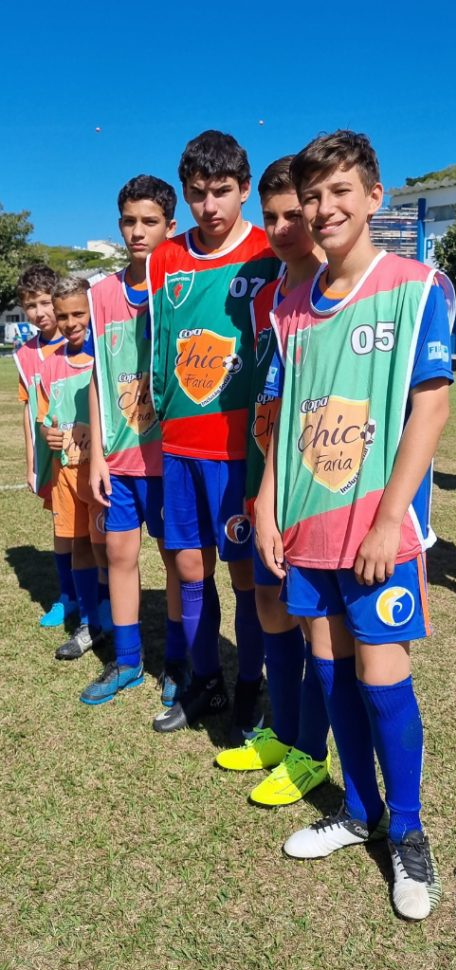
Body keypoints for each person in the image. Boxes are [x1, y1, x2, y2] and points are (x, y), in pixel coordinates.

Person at [256, 131, 454, 921]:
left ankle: (408, 834)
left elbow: (430, 407)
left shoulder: (415, 285)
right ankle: (360, 809)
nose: (324, 208)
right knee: (329, 669)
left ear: (374, 197)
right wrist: (269, 501)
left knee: (381, 679)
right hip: (306, 526)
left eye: (341, 192)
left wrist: (386, 521)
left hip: (373, 531)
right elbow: (283, 418)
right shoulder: (290, 306)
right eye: (313, 196)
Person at [147, 130, 281, 739]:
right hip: (179, 449)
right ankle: (208, 681)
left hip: (243, 455)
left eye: (222, 192)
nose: (210, 206)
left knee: (246, 576)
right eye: (198, 194)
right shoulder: (164, 260)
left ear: (245, 190)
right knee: (189, 570)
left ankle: (253, 687)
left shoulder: (268, 253)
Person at [214, 156, 333, 807]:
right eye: (274, 216)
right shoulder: (266, 296)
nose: (285, 227)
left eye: (296, 213)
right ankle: (283, 736)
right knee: (268, 610)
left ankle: (312, 754)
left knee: (313, 622)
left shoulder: (331, 292)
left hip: (312, 486)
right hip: (263, 477)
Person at [80, 175, 185, 705]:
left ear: (171, 226)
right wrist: (97, 454)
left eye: (150, 222)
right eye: (129, 221)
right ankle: (126, 661)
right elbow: (98, 377)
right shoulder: (100, 295)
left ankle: (177, 662)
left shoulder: (180, 289)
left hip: (171, 461)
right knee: (119, 555)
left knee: (175, 561)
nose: (137, 232)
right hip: (118, 461)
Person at [38, 277, 107, 661]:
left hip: (99, 473)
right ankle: (90, 620)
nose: (70, 322)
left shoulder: (105, 358)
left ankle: (112, 609)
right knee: (79, 545)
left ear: (92, 310)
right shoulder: (51, 366)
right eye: (62, 315)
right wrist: (47, 431)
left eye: (78, 312)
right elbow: (47, 416)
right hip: (66, 474)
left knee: (107, 549)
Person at [13, 265, 75, 627]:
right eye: (29, 306)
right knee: (61, 527)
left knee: (93, 529)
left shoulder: (80, 341)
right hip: (51, 456)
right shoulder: (25, 354)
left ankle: (99, 597)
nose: (39, 313)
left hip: (81, 450)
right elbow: (27, 409)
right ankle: (68, 596)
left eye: (43, 302)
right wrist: (31, 460)